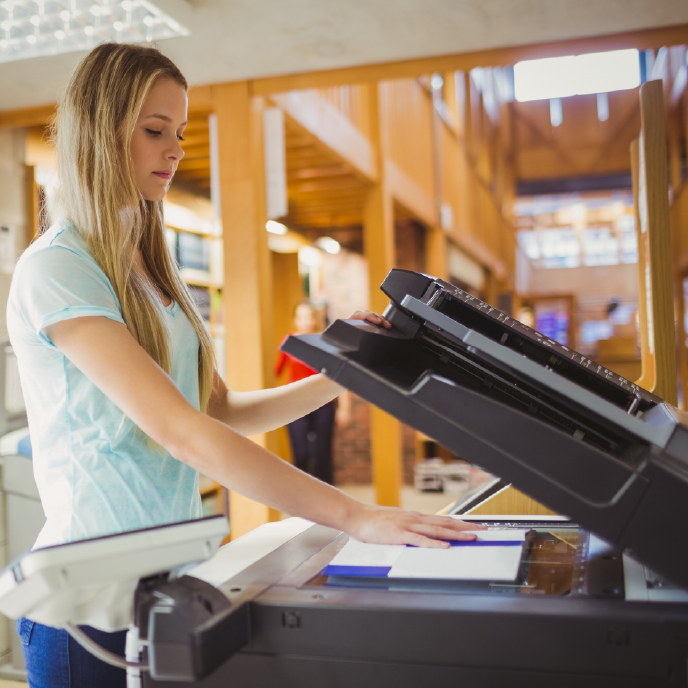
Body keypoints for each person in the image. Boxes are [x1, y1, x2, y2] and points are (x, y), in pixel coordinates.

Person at [7, 43, 480, 687]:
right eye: (153, 131)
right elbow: (182, 431)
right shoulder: (59, 267)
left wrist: (341, 374)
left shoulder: (149, 267)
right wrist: (355, 514)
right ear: (99, 130)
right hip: (88, 603)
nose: (175, 151)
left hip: (164, 582)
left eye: (179, 133)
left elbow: (218, 409)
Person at [276, 302, 339, 484]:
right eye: (300, 317)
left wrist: (344, 407)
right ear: (295, 320)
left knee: (322, 455)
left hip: (323, 403)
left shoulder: (323, 341)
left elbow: (336, 373)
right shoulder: (287, 342)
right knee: (301, 453)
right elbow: (277, 371)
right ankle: (302, 499)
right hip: (296, 404)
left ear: (314, 319)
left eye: (308, 317)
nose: (304, 321)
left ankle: (329, 499)